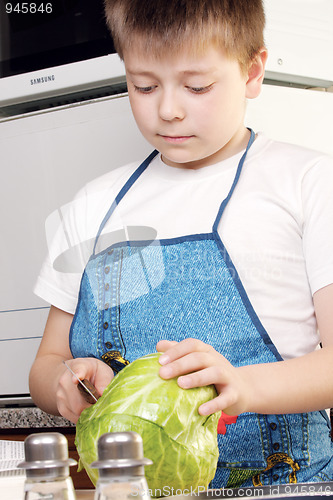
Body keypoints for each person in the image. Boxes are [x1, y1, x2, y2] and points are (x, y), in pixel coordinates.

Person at [30, 0, 333, 489]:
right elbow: (45, 364)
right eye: (143, 86)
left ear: (253, 71)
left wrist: (244, 386)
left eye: (197, 86)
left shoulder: (308, 182)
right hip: (132, 491)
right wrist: (67, 381)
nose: (167, 109)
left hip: (288, 487)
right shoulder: (93, 205)